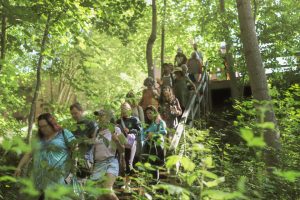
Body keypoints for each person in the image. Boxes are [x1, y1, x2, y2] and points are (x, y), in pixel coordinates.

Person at [14, 113, 76, 200]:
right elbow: (29, 153)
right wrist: (19, 167)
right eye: (40, 126)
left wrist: (70, 177)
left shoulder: (64, 133)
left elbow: (76, 152)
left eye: (45, 126)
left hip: (59, 182)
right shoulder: (39, 137)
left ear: (52, 123)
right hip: (39, 182)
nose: (43, 129)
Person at [92, 108, 125, 200]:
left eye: (102, 115)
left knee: (107, 190)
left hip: (111, 162)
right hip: (97, 164)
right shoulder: (96, 131)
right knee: (99, 196)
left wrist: (117, 141)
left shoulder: (116, 129)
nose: (99, 118)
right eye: (98, 115)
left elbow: (123, 150)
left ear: (109, 117)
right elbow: (94, 149)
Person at [116, 102, 142, 190]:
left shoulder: (134, 119)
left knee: (129, 161)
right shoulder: (119, 120)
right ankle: (122, 181)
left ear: (129, 110)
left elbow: (139, 130)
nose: (124, 111)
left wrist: (130, 130)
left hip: (131, 143)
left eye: (125, 109)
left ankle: (128, 183)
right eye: (122, 109)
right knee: (122, 162)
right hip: (121, 143)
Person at [70, 102, 97, 179]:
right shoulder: (74, 127)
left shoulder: (90, 123)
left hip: (86, 158)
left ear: (81, 111)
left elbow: (94, 140)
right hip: (74, 158)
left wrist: (81, 141)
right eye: (72, 114)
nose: (74, 116)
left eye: (75, 113)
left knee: (82, 181)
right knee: (72, 182)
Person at [143, 105, 167, 181]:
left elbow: (164, 131)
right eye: (147, 113)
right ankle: (152, 182)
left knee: (155, 165)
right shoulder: (148, 123)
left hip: (158, 145)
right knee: (150, 165)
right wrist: (146, 135)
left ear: (154, 112)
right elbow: (144, 134)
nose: (148, 115)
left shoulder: (160, 122)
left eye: (150, 113)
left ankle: (155, 182)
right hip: (148, 146)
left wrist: (154, 134)